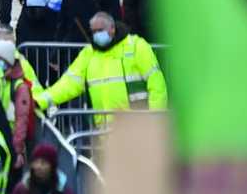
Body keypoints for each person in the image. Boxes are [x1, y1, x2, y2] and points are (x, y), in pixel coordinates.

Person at [36, 12, 166, 117]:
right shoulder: (89, 54)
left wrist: (154, 118)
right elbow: (68, 83)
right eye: (93, 32)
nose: (97, 35)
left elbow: (156, 85)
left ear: (112, 28)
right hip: (105, 133)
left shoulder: (136, 46)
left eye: (100, 30)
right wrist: (39, 101)